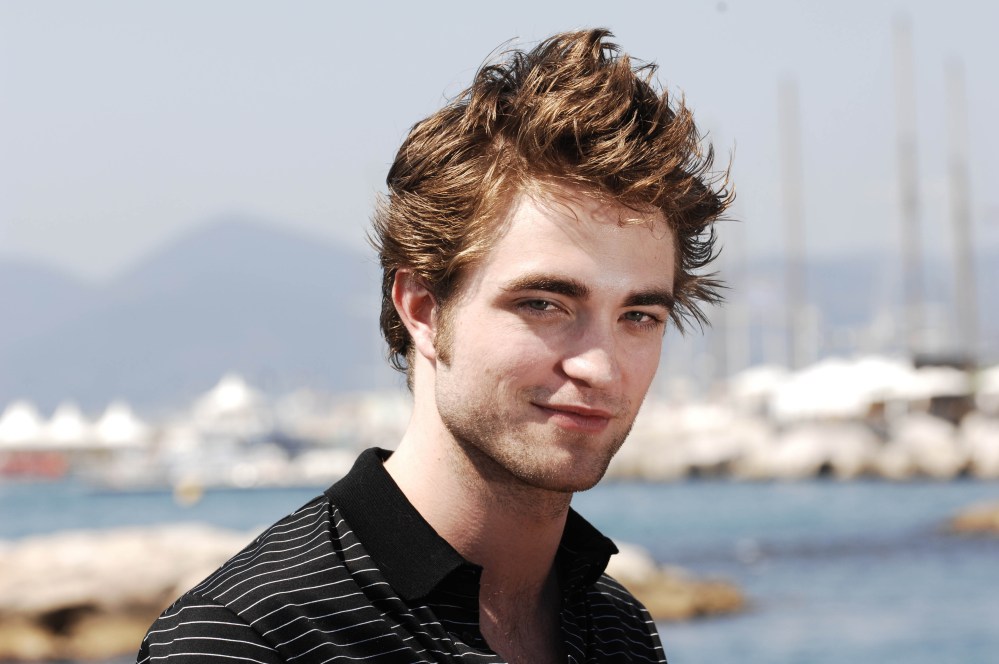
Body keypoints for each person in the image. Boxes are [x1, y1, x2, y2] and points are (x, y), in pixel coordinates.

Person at [137, 28, 730, 663]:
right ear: (422, 308)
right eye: (543, 304)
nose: (600, 368)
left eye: (638, 315)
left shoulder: (619, 629)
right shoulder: (246, 640)